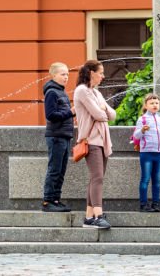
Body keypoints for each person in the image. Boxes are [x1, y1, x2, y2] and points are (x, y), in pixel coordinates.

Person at [73, 59, 115, 229]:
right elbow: (99, 115)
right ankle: (98, 215)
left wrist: (103, 110)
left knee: (95, 178)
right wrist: (103, 110)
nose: (103, 76)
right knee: (97, 178)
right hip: (91, 140)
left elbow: (112, 115)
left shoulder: (96, 93)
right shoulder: (82, 91)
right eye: (101, 72)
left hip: (102, 140)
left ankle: (89, 217)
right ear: (91, 73)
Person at [41, 62, 75, 212]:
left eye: (67, 74)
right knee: (54, 170)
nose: (66, 77)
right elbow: (51, 115)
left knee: (61, 171)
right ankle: (48, 202)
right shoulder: (52, 93)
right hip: (56, 137)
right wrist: (70, 113)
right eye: (63, 74)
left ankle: (56, 199)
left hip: (65, 136)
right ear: (53, 75)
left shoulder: (62, 92)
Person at [132, 93, 160, 212]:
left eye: (156, 103)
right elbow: (136, 135)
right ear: (146, 105)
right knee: (145, 179)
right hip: (147, 153)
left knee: (157, 180)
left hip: (159, 153)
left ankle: (155, 203)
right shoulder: (142, 119)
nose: (154, 105)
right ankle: (143, 204)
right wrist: (142, 130)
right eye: (152, 103)